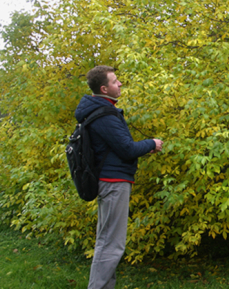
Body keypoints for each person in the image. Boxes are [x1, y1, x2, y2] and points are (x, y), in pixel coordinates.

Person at [74, 65, 163, 289]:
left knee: (108, 241)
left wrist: (141, 148)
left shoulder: (100, 109)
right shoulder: (105, 114)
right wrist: (151, 143)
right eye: (115, 81)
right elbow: (126, 149)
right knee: (111, 244)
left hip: (111, 180)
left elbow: (117, 147)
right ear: (104, 88)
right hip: (113, 183)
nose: (120, 84)